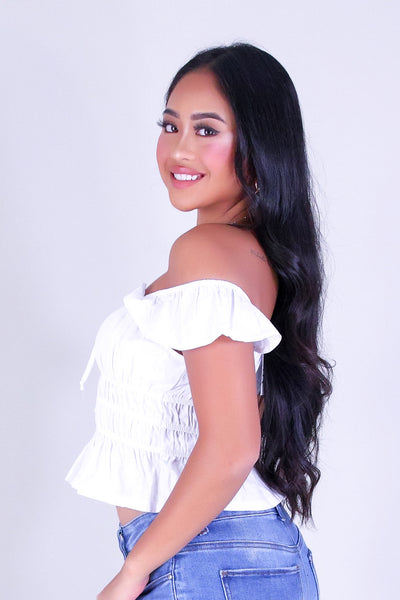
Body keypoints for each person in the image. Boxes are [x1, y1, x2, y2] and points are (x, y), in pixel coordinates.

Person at [66, 42, 332, 599]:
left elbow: (233, 445)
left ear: (257, 148)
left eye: (206, 130)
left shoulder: (206, 251)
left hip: (204, 559)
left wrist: (135, 570)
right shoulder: (246, 254)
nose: (179, 149)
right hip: (231, 556)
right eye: (170, 126)